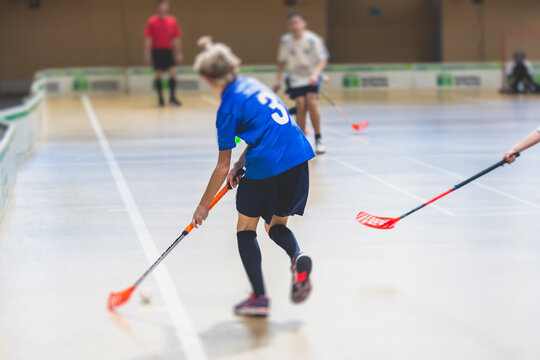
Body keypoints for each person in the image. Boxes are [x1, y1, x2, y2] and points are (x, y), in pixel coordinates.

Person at [192, 36, 315, 317]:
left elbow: (221, 167)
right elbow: (266, 128)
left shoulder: (226, 108)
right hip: (298, 155)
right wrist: (240, 163)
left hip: (268, 165)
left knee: (246, 230)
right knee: (274, 226)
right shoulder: (253, 85)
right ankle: (297, 256)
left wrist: (203, 205)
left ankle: (259, 298)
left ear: (210, 79)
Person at [273, 11, 329, 154]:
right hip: (296, 77)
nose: (295, 25)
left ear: (304, 24)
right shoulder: (286, 40)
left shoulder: (312, 39)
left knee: (311, 102)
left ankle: (318, 138)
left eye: (297, 22)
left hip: (311, 75)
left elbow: (322, 60)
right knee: (301, 106)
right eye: (292, 23)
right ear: (288, 25)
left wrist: (316, 74)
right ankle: (301, 140)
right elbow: (281, 62)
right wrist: (277, 80)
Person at [144, 0, 183, 106]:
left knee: (172, 73)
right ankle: (160, 99)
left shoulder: (172, 20)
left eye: (167, 4)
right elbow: (149, 38)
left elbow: (176, 38)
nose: (165, 6)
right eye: (163, 4)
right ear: (158, 6)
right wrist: (147, 53)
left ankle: (172, 98)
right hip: (157, 50)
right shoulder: (152, 21)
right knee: (158, 74)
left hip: (168, 50)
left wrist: (178, 53)